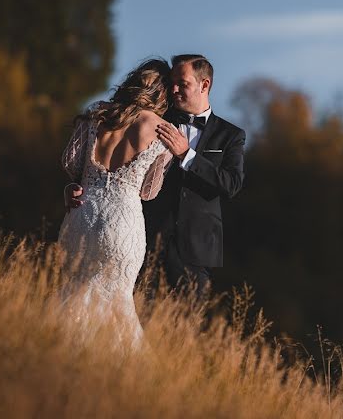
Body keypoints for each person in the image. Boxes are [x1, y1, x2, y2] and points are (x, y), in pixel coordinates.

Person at [66, 54, 246, 299]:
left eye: (183, 84)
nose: (174, 89)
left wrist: (187, 155)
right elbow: (105, 161)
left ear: (205, 85)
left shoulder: (230, 135)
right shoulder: (154, 119)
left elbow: (231, 184)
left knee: (186, 329)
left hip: (195, 249)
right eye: (172, 83)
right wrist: (76, 186)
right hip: (143, 239)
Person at [57, 58, 175, 347]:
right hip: (122, 223)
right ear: (163, 94)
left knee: (71, 294)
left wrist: (82, 182)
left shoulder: (96, 114)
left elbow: (69, 161)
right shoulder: (164, 131)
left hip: (83, 214)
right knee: (118, 303)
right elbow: (148, 191)